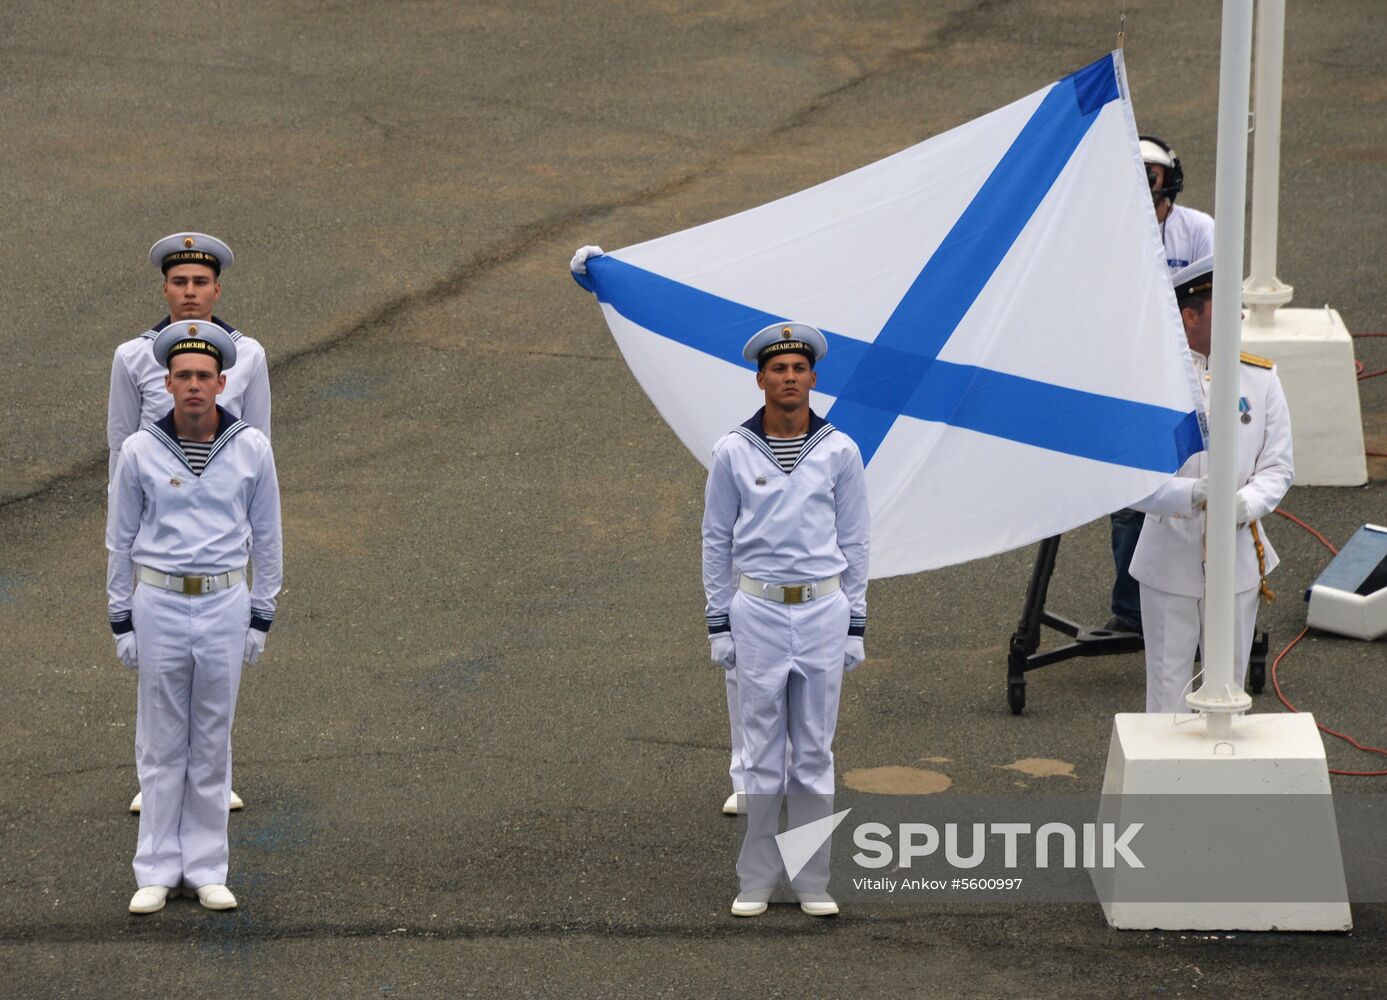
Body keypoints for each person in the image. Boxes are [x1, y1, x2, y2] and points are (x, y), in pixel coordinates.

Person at [107, 320, 283, 913]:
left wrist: (262, 612)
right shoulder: (139, 451)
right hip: (157, 600)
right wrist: (120, 615)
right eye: (182, 375)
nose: (193, 386)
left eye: (204, 376)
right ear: (168, 381)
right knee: (160, 743)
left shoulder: (252, 448)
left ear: (221, 383)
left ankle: (207, 867)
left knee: (211, 739)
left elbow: (268, 535)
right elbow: (120, 539)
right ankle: (155, 869)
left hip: (224, 602)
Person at [701, 322, 869, 918]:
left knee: (815, 751)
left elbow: (855, 541)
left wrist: (856, 622)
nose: (790, 379)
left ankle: (810, 878)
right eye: (779, 369)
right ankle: (758, 876)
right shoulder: (732, 451)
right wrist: (719, 623)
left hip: (823, 608)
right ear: (761, 379)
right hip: (759, 612)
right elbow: (715, 539)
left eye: (799, 369)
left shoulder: (840, 451)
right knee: (764, 749)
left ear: (814, 379)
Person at [109, 232, 270, 814]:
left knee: (214, 670)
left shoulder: (246, 355)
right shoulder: (133, 356)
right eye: (180, 282)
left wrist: (247, 531)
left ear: (217, 288)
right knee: (159, 663)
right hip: (155, 525)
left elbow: (257, 442)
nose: (190, 293)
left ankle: (213, 774)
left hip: (220, 526)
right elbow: (119, 445)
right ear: (165, 289)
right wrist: (120, 532)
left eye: (200, 283)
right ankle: (154, 777)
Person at [1129, 256, 1293, 712]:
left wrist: (1243, 504)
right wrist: (1191, 495)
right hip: (1170, 555)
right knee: (1167, 697)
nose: (1239, 317)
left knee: (1230, 694)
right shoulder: (1153, 385)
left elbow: (1278, 468)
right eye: (1227, 308)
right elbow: (1131, 480)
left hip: (1236, 554)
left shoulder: (1260, 379)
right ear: (1190, 315)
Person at [1105, 137, 1217, 634]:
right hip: (1133, 374)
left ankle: (1200, 603)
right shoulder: (1110, 230)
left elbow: (1207, 305)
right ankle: (1132, 610)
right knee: (1132, 501)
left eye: (1153, 182)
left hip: (1191, 372)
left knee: (1199, 490)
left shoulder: (1199, 231)